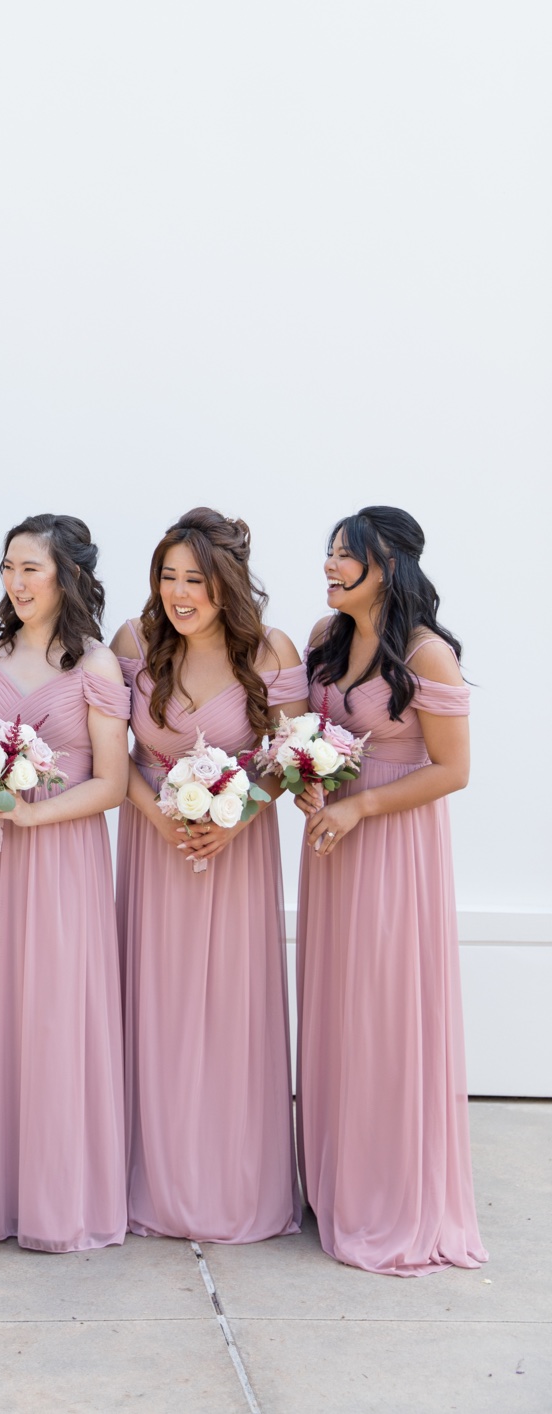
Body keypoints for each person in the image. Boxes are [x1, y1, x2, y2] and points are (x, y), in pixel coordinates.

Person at [296, 505, 486, 1275]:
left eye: (349, 556)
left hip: (394, 846)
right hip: (331, 846)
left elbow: (454, 770)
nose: (333, 565)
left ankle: (394, 1195)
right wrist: (308, 786)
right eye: (332, 553)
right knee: (337, 1005)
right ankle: (339, 1184)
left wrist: (361, 804)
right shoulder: (323, 638)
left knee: (385, 1010)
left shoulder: (426, 653)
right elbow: (307, 736)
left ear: (391, 564)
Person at [111, 508, 304, 1243]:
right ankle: (155, 1179)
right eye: (168, 577)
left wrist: (237, 818)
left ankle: (233, 1183)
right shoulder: (135, 643)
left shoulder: (271, 650)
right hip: (156, 848)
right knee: (157, 1008)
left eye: (195, 579)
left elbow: (286, 760)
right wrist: (161, 818)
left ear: (228, 585)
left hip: (235, 856)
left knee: (231, 1013)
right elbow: (115, 758)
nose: (179, 594)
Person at [0, 513, 130, 1252]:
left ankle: (60, 1198)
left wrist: (35, 816)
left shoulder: (95, 666)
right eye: (7, 567)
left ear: (65, 574)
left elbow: (115, 784)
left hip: (62, 860)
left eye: (30, 568)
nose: (16, 582)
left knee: (56, 1017)